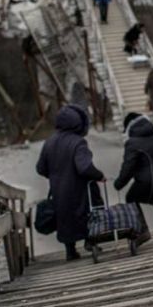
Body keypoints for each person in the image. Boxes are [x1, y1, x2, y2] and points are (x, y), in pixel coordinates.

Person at [36, 104, 105, 261]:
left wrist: (55, 175)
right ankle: (90, 241)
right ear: (78, 123)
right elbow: (84, 167)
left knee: (64, 218)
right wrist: (99, 175)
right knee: (89, 210)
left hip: (58, 190)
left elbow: (40, 168)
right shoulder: (78, 142)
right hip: (79, 189)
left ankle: (70, 251)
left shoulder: (49, 142)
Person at [114, 113, 153, 243]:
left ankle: (143, 231)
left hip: (150, 181)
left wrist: (119, 183)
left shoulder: (132, 143)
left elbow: (128, 167)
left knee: (131, 198)